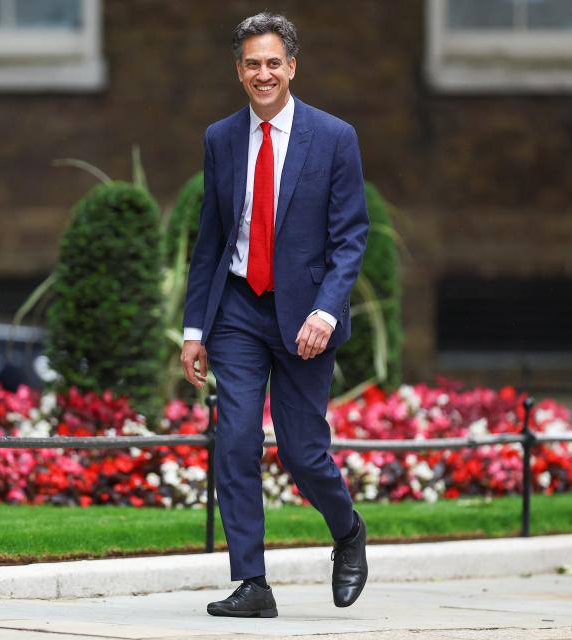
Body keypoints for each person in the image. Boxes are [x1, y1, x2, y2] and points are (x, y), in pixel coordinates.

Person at [181, 12, 370, 618]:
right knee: (234, 439)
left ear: (292, 67)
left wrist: (326, 311)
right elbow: (210, 239)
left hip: (305, 320)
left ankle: (347, 532)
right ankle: (252, 583)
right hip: (237, 309)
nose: (263, 74)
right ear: (239, 72)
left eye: (273, 63)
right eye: (251, 64)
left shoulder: (335, 137)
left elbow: (350, 238)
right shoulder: (221, 138)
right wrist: (193, 330)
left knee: (301, 451)